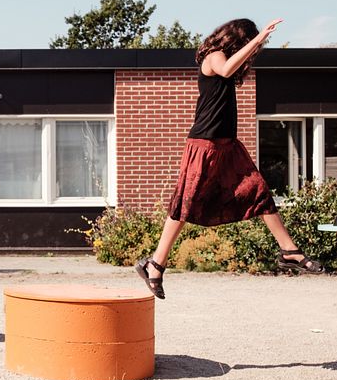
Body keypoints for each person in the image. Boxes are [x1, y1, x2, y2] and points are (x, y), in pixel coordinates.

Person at [136, 18, 325, 299]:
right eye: (248, 43)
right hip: (205, 144)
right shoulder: (214, 57)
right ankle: (156, 264)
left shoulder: (227, 58)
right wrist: (258, 38)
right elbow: (225, 69)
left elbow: (233, 69)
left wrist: (257, 43)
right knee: (184, 205)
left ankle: (289, 251)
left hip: (228, 145)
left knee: (258, 191)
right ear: (237, 39)